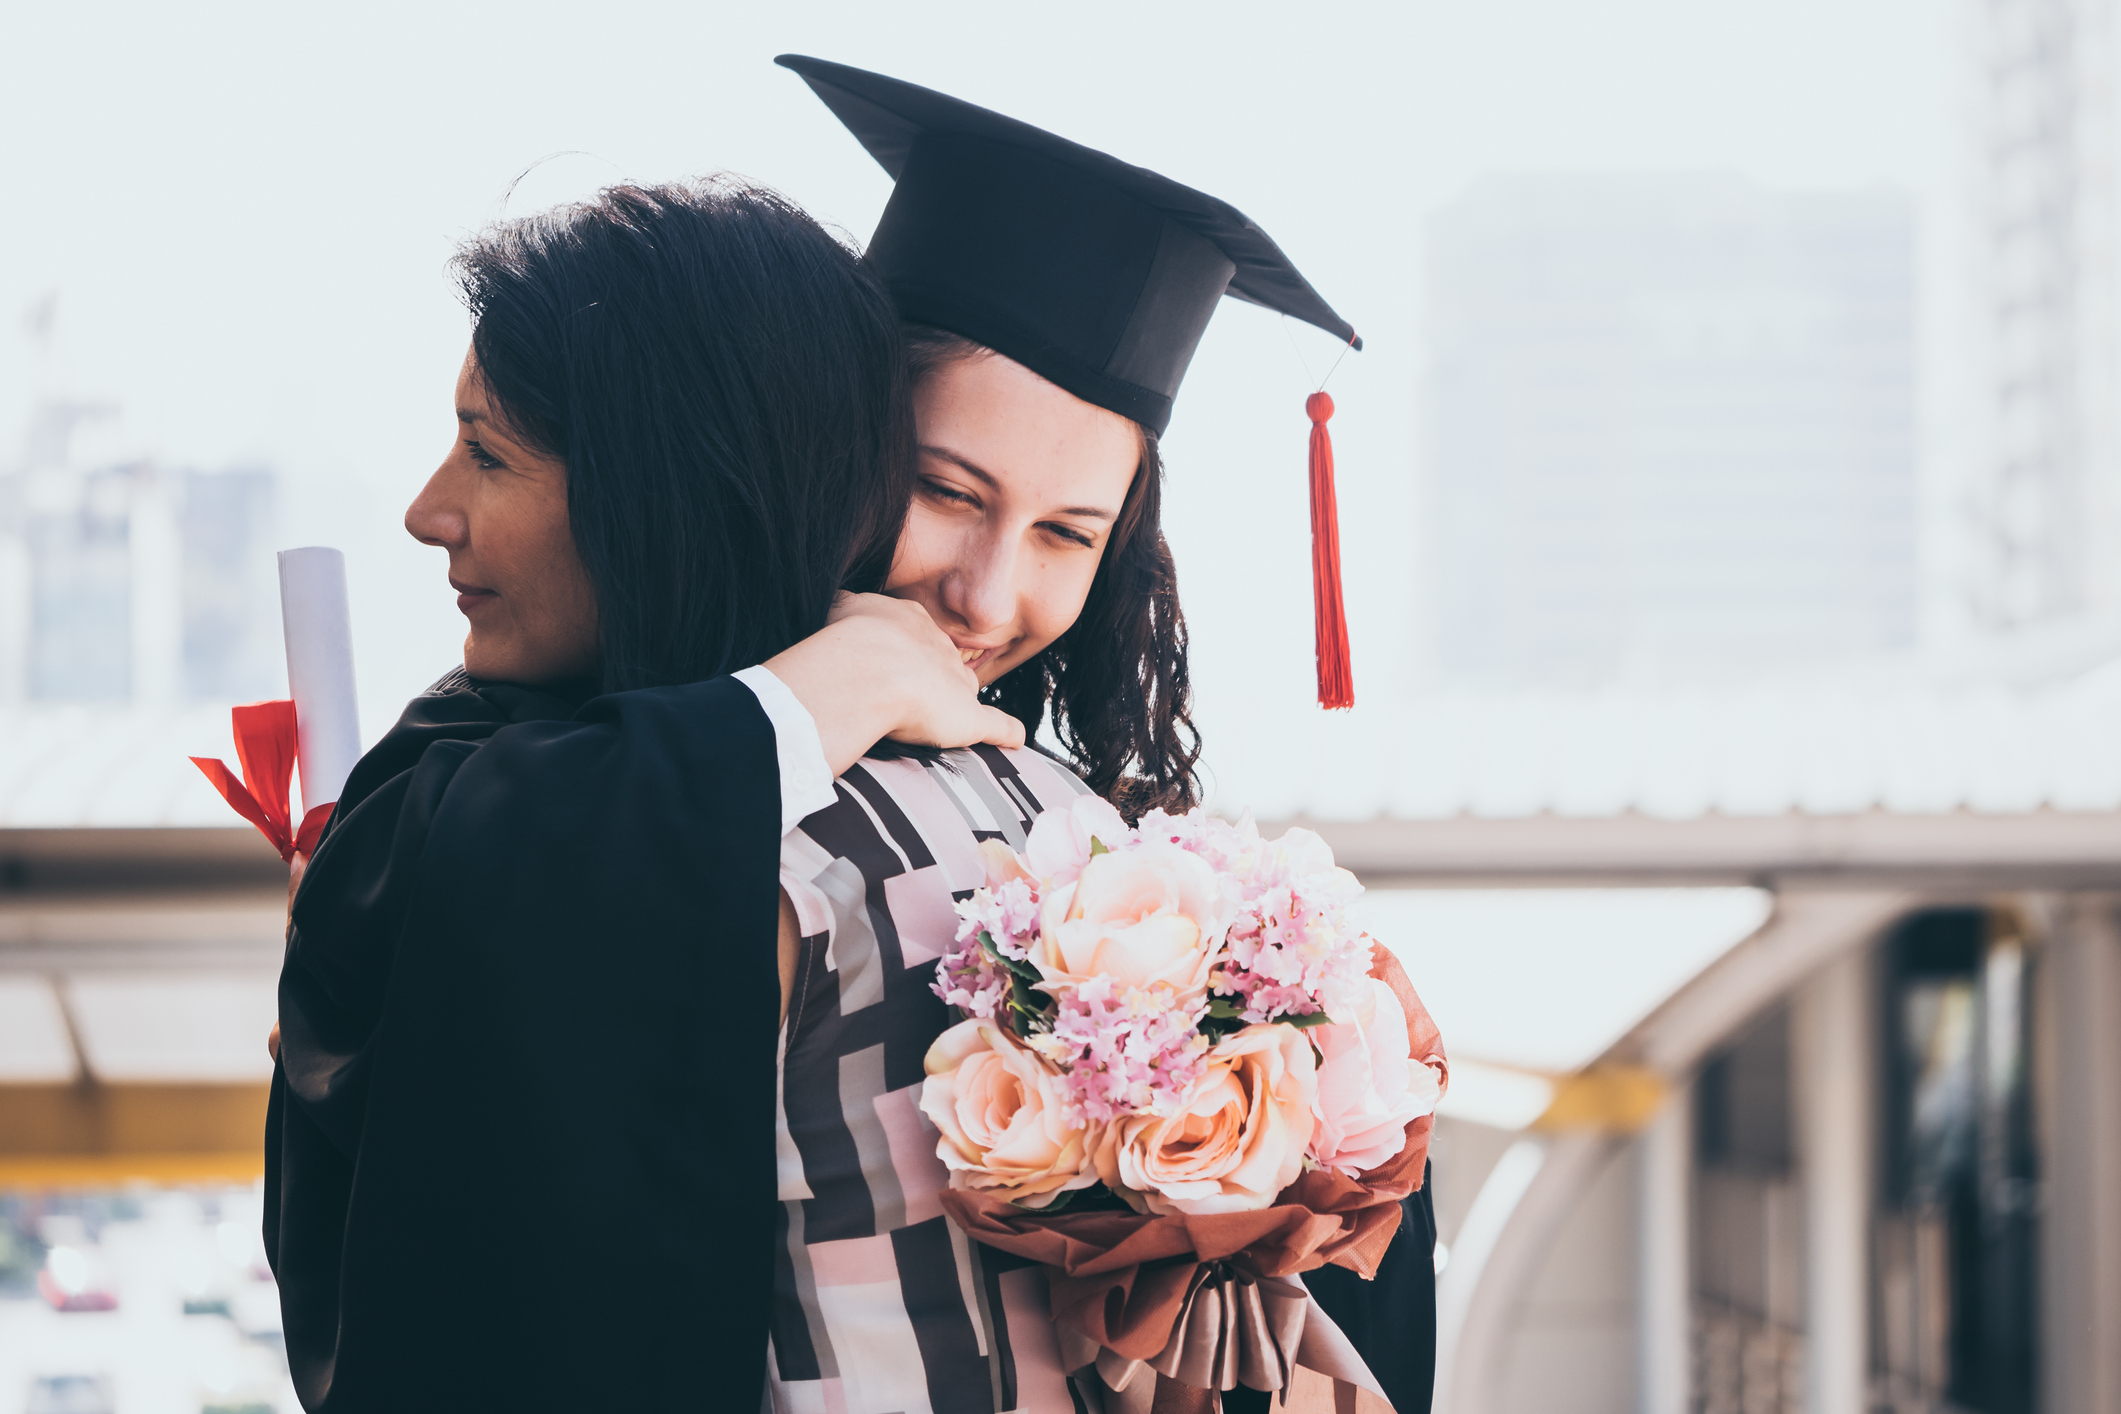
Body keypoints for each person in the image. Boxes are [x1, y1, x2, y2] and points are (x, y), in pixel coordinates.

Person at [266, 178, 1026, 1413]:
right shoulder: (478, 760)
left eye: (489, 452)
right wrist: (804, 695)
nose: (427, 512)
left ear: (657, 495)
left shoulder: (935, 835)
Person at [766, 58, 1444, 1414]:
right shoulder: (713, 784)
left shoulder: (1094, 832)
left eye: (1067, 534)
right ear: (834, 446)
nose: (987, 592)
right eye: (946, 492)